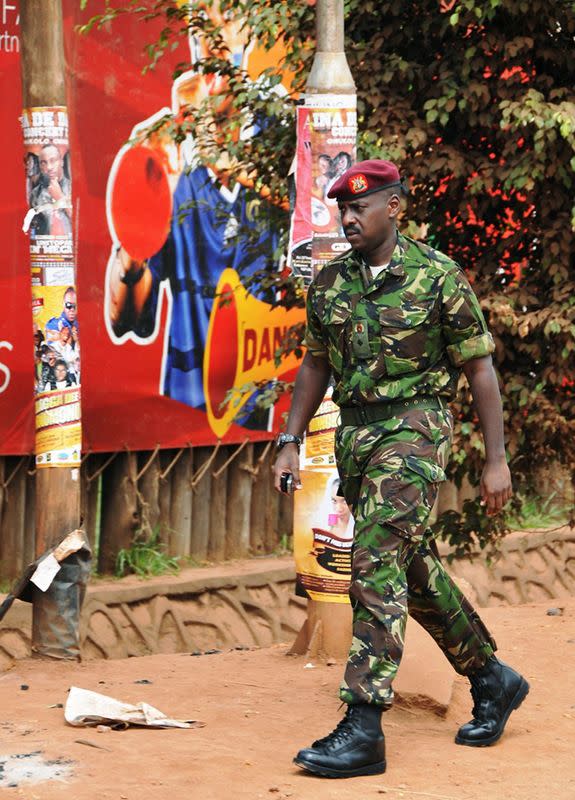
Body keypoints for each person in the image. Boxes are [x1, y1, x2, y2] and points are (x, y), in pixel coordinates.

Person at [273, 159, 529, 779]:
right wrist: (289, 437)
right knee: (406, 568)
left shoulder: (438, 276)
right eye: (342, 210)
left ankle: (363, 725)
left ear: (396, 207)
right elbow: (315, 366)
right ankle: (493, 678)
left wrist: (496, 461)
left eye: (361, 208)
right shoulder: (331, 283)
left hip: (415, 429)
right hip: (357, 438)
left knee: (372, 560)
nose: (349, 218)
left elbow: (479, 369)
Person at [105, 0, 281, 418]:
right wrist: (132, 250)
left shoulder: (278, 132)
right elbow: (126, 316)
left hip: (257, 405)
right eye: (203, 19)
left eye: (228, 14)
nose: (213, 32)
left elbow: (313, 213)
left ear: (250, 28)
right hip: (185, 403)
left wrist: (221, 157)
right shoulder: (162, 145)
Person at [28, 142, 72, 236]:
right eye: (44, 163)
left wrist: (60, 198)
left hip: (71, 247)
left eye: (53, 160)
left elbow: (82, 222)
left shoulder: (73, 188)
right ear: (40, 167)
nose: (49, 167)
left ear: (61, 162)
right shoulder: (36, 194)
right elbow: (32, 228)